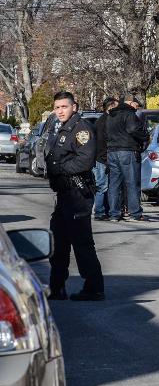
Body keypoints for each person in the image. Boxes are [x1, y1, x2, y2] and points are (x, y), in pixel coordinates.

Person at [45, 91, 104, 301]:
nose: (60, 111)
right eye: (57, 107)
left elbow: (85, 160)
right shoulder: (61, 127)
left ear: (74, 107)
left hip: (77, 193)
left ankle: (94, 288)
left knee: (81, 242)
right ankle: (57, 286)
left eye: (64, 107)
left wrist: (61, 168)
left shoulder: (81, 129)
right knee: (58, 241)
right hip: (64, 194)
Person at [104, 96, 147, 221]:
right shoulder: (129, 114)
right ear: (130, 103)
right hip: (127, 150)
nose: (137, 107)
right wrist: (144, 136)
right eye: (136, 105)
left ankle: (114, 213)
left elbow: (106, 133)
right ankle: (135, 213)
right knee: (132, 183)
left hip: (112, 151)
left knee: (114, 184)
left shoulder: (111, 115)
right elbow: (133, 129)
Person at [91, 97, 117, 220]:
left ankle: (104, 210)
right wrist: (105, 158)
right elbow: (102, 142)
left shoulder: (103, 120)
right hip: (101, 158)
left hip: (102, 157)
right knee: (102, 186)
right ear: (110, 107)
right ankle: (99, 212)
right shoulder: (104, 122)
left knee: (104, 185)